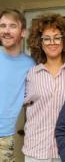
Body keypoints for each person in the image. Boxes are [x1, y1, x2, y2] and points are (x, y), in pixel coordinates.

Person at [22, 13, 65, 162]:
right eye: (46, 38)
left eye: (57, 37)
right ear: (40, 42)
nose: (52, 42)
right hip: (36, 149)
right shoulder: (30, 74)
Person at [0, 9, 35, 162]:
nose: (6, 31)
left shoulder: (30, 65)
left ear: (23, 32)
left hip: (11, 138)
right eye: (2, 26)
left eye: (12, 26)